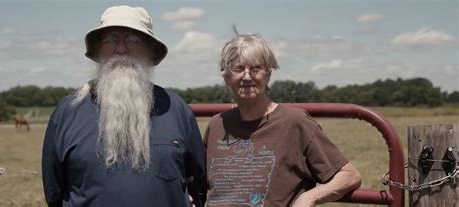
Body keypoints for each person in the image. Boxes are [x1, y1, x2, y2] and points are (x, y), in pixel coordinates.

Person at [42, 5, 206, 207]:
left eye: (133, 39)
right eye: (110, 39)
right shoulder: (68, 113)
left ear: (150, 49)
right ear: (99, 49)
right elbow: (54, 192)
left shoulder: (176, 109)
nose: (121, 49)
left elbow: (197, 184)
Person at [203, 31, 361, 206]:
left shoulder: (295, 122)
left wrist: (310, 197)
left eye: (256, 68)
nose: (247, 76)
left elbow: (349, 175)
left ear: (268, 74)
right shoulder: (217, 125)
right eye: (238, 68)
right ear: (226, 76)